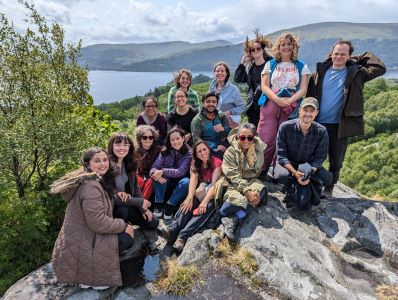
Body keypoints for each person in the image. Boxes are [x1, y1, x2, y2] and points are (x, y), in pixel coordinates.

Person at [307, 40, 386, 198]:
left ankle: (329, 186)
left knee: (336, 159)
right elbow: (309, 97)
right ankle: (313, 182)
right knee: (313, 156)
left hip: (340, 125)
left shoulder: (357, 73)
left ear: (349, 56)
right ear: (331, 54)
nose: (338, 56)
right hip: (317, 123)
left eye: (343, 54)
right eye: (336, 53)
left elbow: (380, 68)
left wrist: (358, 57)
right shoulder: (319, 72)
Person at [50, 147, 134, 288]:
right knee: (127, 239)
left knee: (125, 233)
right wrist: (123, 225)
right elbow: (98, 222)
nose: (103, 164)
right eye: (97, 161)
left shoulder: (90, 180)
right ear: (88, 164)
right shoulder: (91, 186)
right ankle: (88, 278)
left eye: (105, 160)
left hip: (80, 239)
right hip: (85, 243)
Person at [258, 32, 311, 175]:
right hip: (270, 102)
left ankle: (279, 172)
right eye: (283, 44)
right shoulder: (270, 64)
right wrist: (277, 100)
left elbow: (303, 89)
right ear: (278, 47)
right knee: (266, 138)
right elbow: (265, 86)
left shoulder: (302, 66)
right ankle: (261, 169)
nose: (286, 47)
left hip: (291, 106)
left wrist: (289, 101)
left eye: (289, 44)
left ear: (294, 46)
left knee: (283, 141)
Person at [158, 140, 222, 252]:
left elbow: (214, 185)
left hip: (214, 191)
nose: (202, 153)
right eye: (199, 151)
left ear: (208, 150)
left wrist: (204, 202)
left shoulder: (216, 162)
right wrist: (189, 198)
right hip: (203, 187)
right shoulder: (195, 163)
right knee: (187, 203)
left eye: (204, 149)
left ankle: (182, 237)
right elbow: (193, 179)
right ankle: (172, 230)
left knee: (204, 209)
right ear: (196, 154)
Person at [275, 97, 333, 210]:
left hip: (308, 165)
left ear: (316, 113)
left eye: (312, 111)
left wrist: (309, 173)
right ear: (300, 110)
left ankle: (304, 183)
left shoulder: (321, 131)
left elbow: (320, 157)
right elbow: (281, 155)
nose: (308, 114)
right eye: (305, 110)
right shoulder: (285, 127)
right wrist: (294, 172)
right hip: (289, 163)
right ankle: (291, 186)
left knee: (327, 179)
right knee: (281, 176)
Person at [217, 123, 268, 243]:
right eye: (242, 137)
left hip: (251, 181)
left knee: (260, 192)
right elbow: (233, 176)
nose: (246, 140)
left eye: (249, 137)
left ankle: (233, 219)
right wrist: (246, 191)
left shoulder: (258, 151)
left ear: (254, 137)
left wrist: (251, 192)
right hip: (233, 183)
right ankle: (227, 215)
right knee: (226, 208)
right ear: (237, 137)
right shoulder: (230, 152)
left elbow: (257, 172)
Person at [107, 132, 159, 229]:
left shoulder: (128, 163)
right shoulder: (106, 165)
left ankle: (127, 223)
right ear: (111, 146)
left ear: (129, 147)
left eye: (125, 145)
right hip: (113, 207)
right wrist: (139, 202)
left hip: (127, 202)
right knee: (122, 209)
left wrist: (142, 209)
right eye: (118, 144)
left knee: (153, 222)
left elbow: (135, 188)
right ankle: (121, 228)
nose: (122, 148)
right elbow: (109, 197)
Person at [150, 127, 193, 220]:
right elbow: (154, 167)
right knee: (157, 175)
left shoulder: (189, 153)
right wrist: (155, 173)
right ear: (169, 141)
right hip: (165, 182)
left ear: (183, 138)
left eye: (178, 138)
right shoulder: (165, 151)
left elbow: (181, 171)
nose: (175, 142)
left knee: (187, 182)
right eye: (172, 140)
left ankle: (169, 205)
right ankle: (158, 204)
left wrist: (162, 171)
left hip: (179, 182)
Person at [234, 30, 273, 127]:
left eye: (258, 48)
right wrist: (242, 63)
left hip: (268, 104)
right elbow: (237, 79)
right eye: (252, 49)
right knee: (254, 135)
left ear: (263, 50)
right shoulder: (249, 68)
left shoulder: (272, 65)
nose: (255, 51)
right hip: (253, 108)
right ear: (250, 53)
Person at [191, 91, 231, 158]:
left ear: (216, 104)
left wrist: (223, 129)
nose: (211, 104)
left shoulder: (220, 115)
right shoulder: (197, 120)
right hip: (207, 149)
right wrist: (215, 146)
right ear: (203, 103)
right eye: (208, 101)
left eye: (214, 102)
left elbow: (230, 132)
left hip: (224, 144)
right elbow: (196, 140)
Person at [209, 61, 245, 128]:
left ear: (226, 73)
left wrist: (228, 113)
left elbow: (242, 107)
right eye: (217, 71)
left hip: (229, 123)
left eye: (222, 71)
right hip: (214, 122)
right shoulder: (212, 87)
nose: (219, 73)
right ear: (214, 73)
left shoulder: (233, 89)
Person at [134, 125, 162, 202]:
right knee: (139, 181)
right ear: (140, 138)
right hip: (139, 175)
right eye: (145, 137)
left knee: (151, 182)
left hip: (152, 176)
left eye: (151, 137)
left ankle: (142, 204)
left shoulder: (159, 150)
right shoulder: (134, 150)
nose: (148, 140)